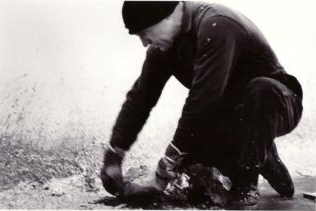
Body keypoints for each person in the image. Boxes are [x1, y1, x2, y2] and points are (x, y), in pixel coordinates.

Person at [101, 1, 303, 206]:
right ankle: (264, 158)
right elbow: (140, 99)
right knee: (193, 181)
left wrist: (166, 167)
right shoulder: (163, 46)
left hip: (279, 104)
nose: (145, 43)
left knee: (260, 90)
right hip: (232, 117)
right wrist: (114, 155)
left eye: (145, 33)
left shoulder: (217, 24)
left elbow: (203, 98)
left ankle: (246, 182)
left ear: (168, 15)